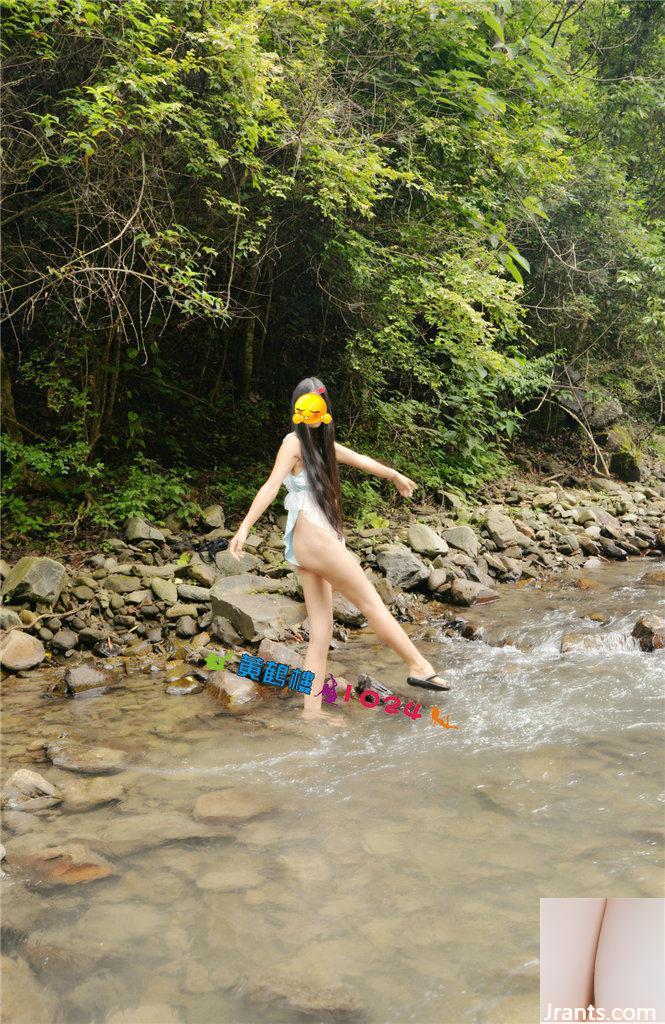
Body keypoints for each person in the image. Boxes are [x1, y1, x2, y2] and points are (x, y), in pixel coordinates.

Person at [228, 376, 450, 722]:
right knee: (370, 602)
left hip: (312, 543)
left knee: (321, 632)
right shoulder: (293, 442)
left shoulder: (323, 444)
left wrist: (394, 475)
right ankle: (418, 664)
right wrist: (244, 528)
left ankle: (311, 713)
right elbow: (270, 486)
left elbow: (362, 460)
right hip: (314, 537)